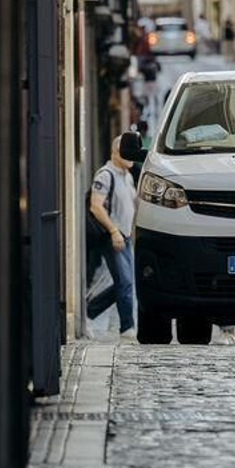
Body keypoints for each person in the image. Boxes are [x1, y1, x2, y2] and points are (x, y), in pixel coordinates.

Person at [85, 134, 139, 340]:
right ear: (116, 152)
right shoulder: (105, 175)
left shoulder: (127, 175)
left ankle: (88, 312)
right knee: (124, 282)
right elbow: (96, 206)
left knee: (124, 283)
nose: (132, 157)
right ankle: (127, 328)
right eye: (128, 152)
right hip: (112, 236)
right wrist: (114, 231)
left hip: (125, 237)